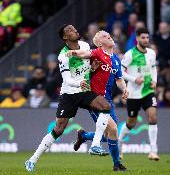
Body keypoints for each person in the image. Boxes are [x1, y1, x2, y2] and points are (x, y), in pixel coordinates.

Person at [25, 25, 112, 172]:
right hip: (69, 94)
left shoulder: (84, 45)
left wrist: (92, 69)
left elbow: (86, 65)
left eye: (74, 28)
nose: (75, 30)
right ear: (65, 37)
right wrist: (80, 82)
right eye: (70, 30)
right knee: (59, 129)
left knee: (106, 106)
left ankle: (95, 145)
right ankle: (32, 159)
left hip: (84, 91)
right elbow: (67, 79)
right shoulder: (63, 56)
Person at [67, 30, 128, 171]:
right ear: (100, 42)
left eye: (109, 35)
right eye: (105, 36)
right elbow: (85, 54)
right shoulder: (98, 52)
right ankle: (117, 164)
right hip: (95, 99)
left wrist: (124, 88)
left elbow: (119, 79)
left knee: (111, 135)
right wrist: (73, 53)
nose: (110, 37)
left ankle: (84, 136)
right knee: (112, 129)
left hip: (108, 101)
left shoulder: (116, 59)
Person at [118, 28, 160, 161]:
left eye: (147, 38)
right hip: (133, 94)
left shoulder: (152, 53)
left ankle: (153, 151)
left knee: (152, 118)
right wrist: (134, 79)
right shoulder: (130, 54)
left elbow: (153, 68)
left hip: (148, 91)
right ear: (137, 38)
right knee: (131, 123)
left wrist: (154, 80)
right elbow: (120, 72)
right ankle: (119, 142)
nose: (146, 40)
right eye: (143, 38)